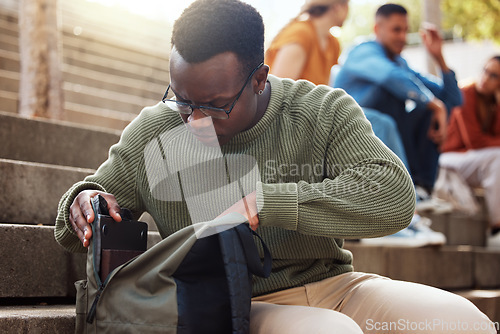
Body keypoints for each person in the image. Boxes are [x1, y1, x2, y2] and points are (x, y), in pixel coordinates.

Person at [55, 0, 494, 332]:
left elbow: (394, 197)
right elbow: (74, 222)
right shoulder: (156, 130)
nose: (194, 120)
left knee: (463, 322)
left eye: (216, 105)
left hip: (337, 288)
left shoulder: (321, 110)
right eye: (182, 99)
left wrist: (265, 200)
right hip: (233, 303)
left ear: (260, 78)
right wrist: (83, 202)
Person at [334, 3, 462, 195]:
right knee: (397, 92)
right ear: (377, 29)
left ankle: (422, 188)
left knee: (429, 106)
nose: (403, 37)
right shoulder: (361, 51)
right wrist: (435, 105)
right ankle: (403, 187)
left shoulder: (399, 63)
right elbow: (390, 77)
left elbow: (452, 99)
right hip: (354, 136)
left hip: (390, 136)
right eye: (396, 30)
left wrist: (439, 58)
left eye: (405, 31)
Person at [440, 56, 500, 248]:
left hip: (469, 161)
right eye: (485, 71)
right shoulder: (465, 94)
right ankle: (496, 227)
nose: (485, 78)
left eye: (494, 75)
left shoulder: (493, 104)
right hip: (448, 159)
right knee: (497, 157)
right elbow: (475, 141)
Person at [265, 0, 349, 85]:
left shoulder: (333, 44)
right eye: (347, 5)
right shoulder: (301, 34)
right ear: (337, 7)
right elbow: (279, 89)